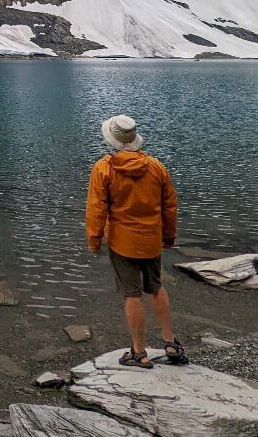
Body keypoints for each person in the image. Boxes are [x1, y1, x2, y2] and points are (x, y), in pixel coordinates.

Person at [85, 114, 187, 368]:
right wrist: (169, 236)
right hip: (151, 239)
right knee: (156, 286)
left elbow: (96, 208)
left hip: (123, 243)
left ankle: (139, 352)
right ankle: (170, 342)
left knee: (131, 294)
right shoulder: (155, 167)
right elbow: (169, 206)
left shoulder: (104, 168)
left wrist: (94, 239)